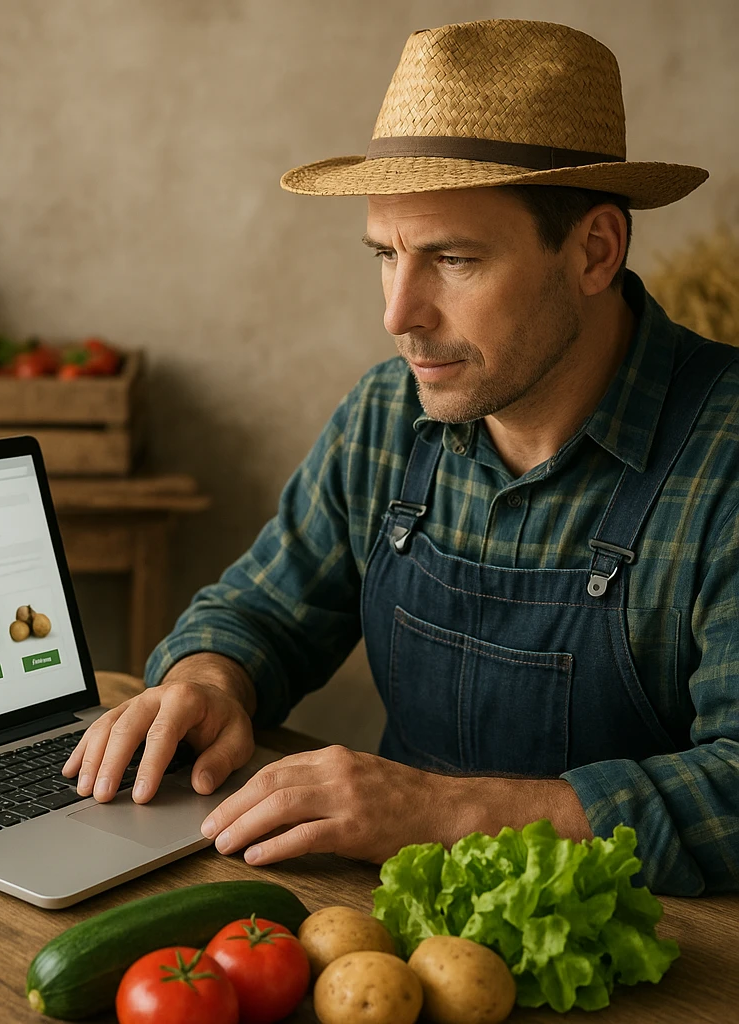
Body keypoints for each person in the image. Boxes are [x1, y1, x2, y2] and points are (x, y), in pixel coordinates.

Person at [62, 19, 739, 895]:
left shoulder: (724, 459)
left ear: (594, 251)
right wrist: (208, 680)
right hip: (393, 924)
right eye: (387, 255)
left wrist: (443, 813)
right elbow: (258, 610)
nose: (398, 315)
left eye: (453, 259)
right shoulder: (389, 414)